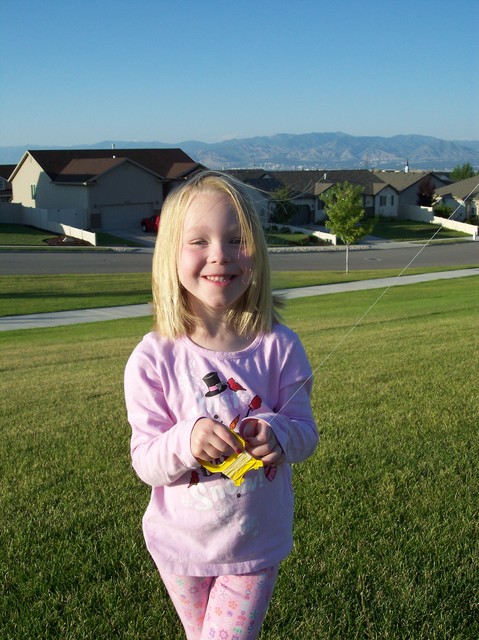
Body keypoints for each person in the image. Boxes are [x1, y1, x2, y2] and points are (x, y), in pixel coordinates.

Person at [124, 170, 318, 640]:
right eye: (199, 241)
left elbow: (305, 433)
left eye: (236, 239)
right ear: (170, 254)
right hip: (179, 547)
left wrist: (276, 432)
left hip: (254, 544)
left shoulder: (279, 347)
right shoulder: (154, 358)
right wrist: (187, 439)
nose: (220, 255)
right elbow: (146, 460)